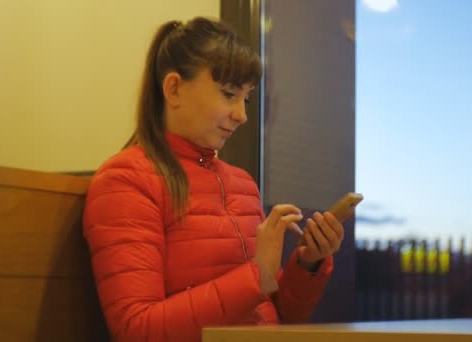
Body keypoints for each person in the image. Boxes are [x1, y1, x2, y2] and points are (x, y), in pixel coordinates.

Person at [83, 17, 345, 342]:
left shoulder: (244, 185)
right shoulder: (125, 181)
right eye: (228, 94)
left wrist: (308, 263)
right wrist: (257, 275)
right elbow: (137, 330)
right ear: (174, 89)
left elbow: (278, 317)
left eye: (246, 98)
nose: (242, 114)